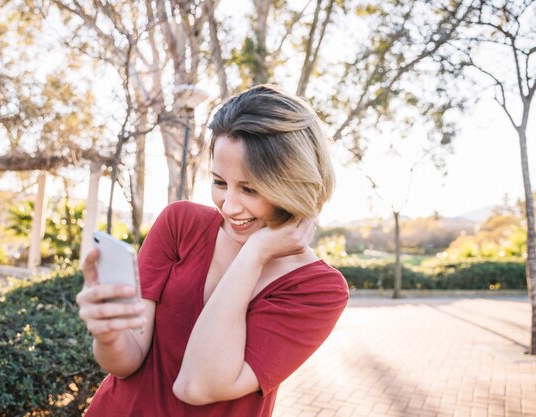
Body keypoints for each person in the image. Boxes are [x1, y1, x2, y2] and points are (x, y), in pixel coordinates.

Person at [76, 84, 349, 417]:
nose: (229, 206)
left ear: (293, 183)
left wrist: (255, 253)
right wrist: (108, 333)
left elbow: (197, 385)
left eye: (250, 188)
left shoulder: (318, 289)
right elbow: (127, 362)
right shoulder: (180, 224)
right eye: (220, 182)